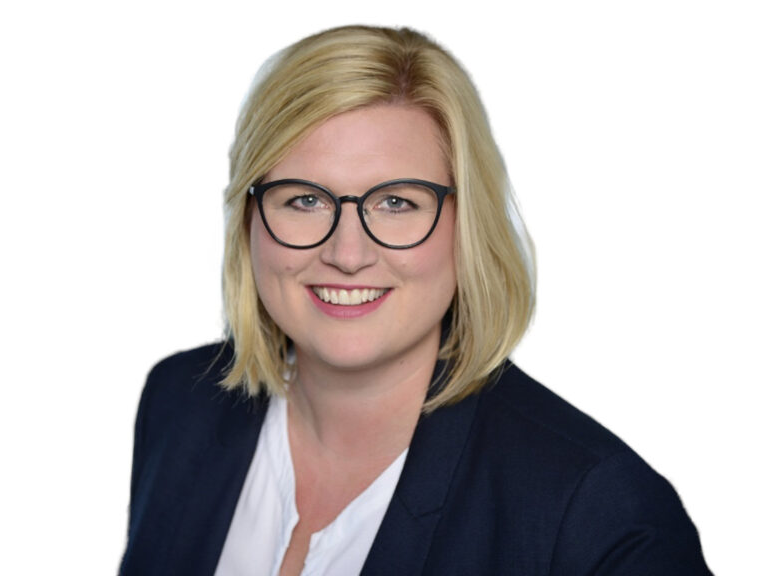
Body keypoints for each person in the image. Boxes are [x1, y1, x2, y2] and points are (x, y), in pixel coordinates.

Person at [119, 25, 711, 575]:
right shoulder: (180, 404)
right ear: (249, 217)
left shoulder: (601, 517)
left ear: (468, 224)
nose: (347, 253)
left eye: (396, 202)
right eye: (305, 200)